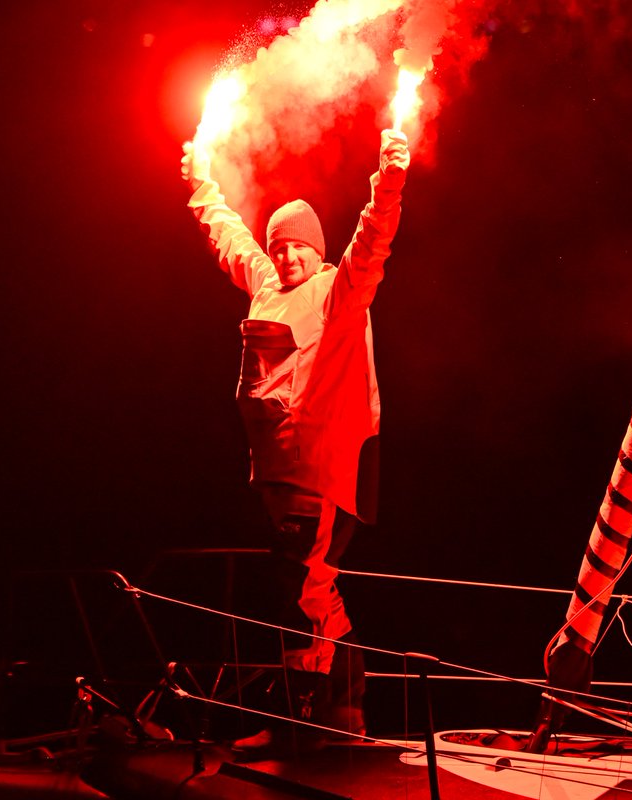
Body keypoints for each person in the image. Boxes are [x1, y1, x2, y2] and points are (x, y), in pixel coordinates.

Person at [180, 129, 410, 756]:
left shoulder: (339, 293)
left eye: (297, 249)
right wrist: (198, 178)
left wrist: (387, 179)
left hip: (324, 471)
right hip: (277, 474)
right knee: (311, 593)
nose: (285, 258)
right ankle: (339, 715)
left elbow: (372, 242)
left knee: (299, 590)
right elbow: (226, 235)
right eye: (278, 248)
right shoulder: (265, 286)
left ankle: (305, 722)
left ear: (317, 250)